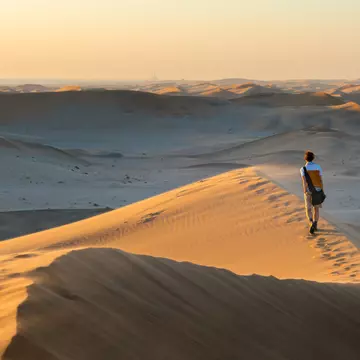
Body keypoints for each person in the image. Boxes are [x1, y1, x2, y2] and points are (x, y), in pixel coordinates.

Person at [300, 151, 324, 234]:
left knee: (308, 208)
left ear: (305, 158)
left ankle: (311, 223)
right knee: (316, 208)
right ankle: (315, 224)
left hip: (309, 190)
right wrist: (322, 190)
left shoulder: (303, 169)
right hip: (318, 190)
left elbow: (304, 181)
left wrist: (304, 190)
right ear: (313, 158)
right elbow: (320, 179)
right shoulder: (318, 167)